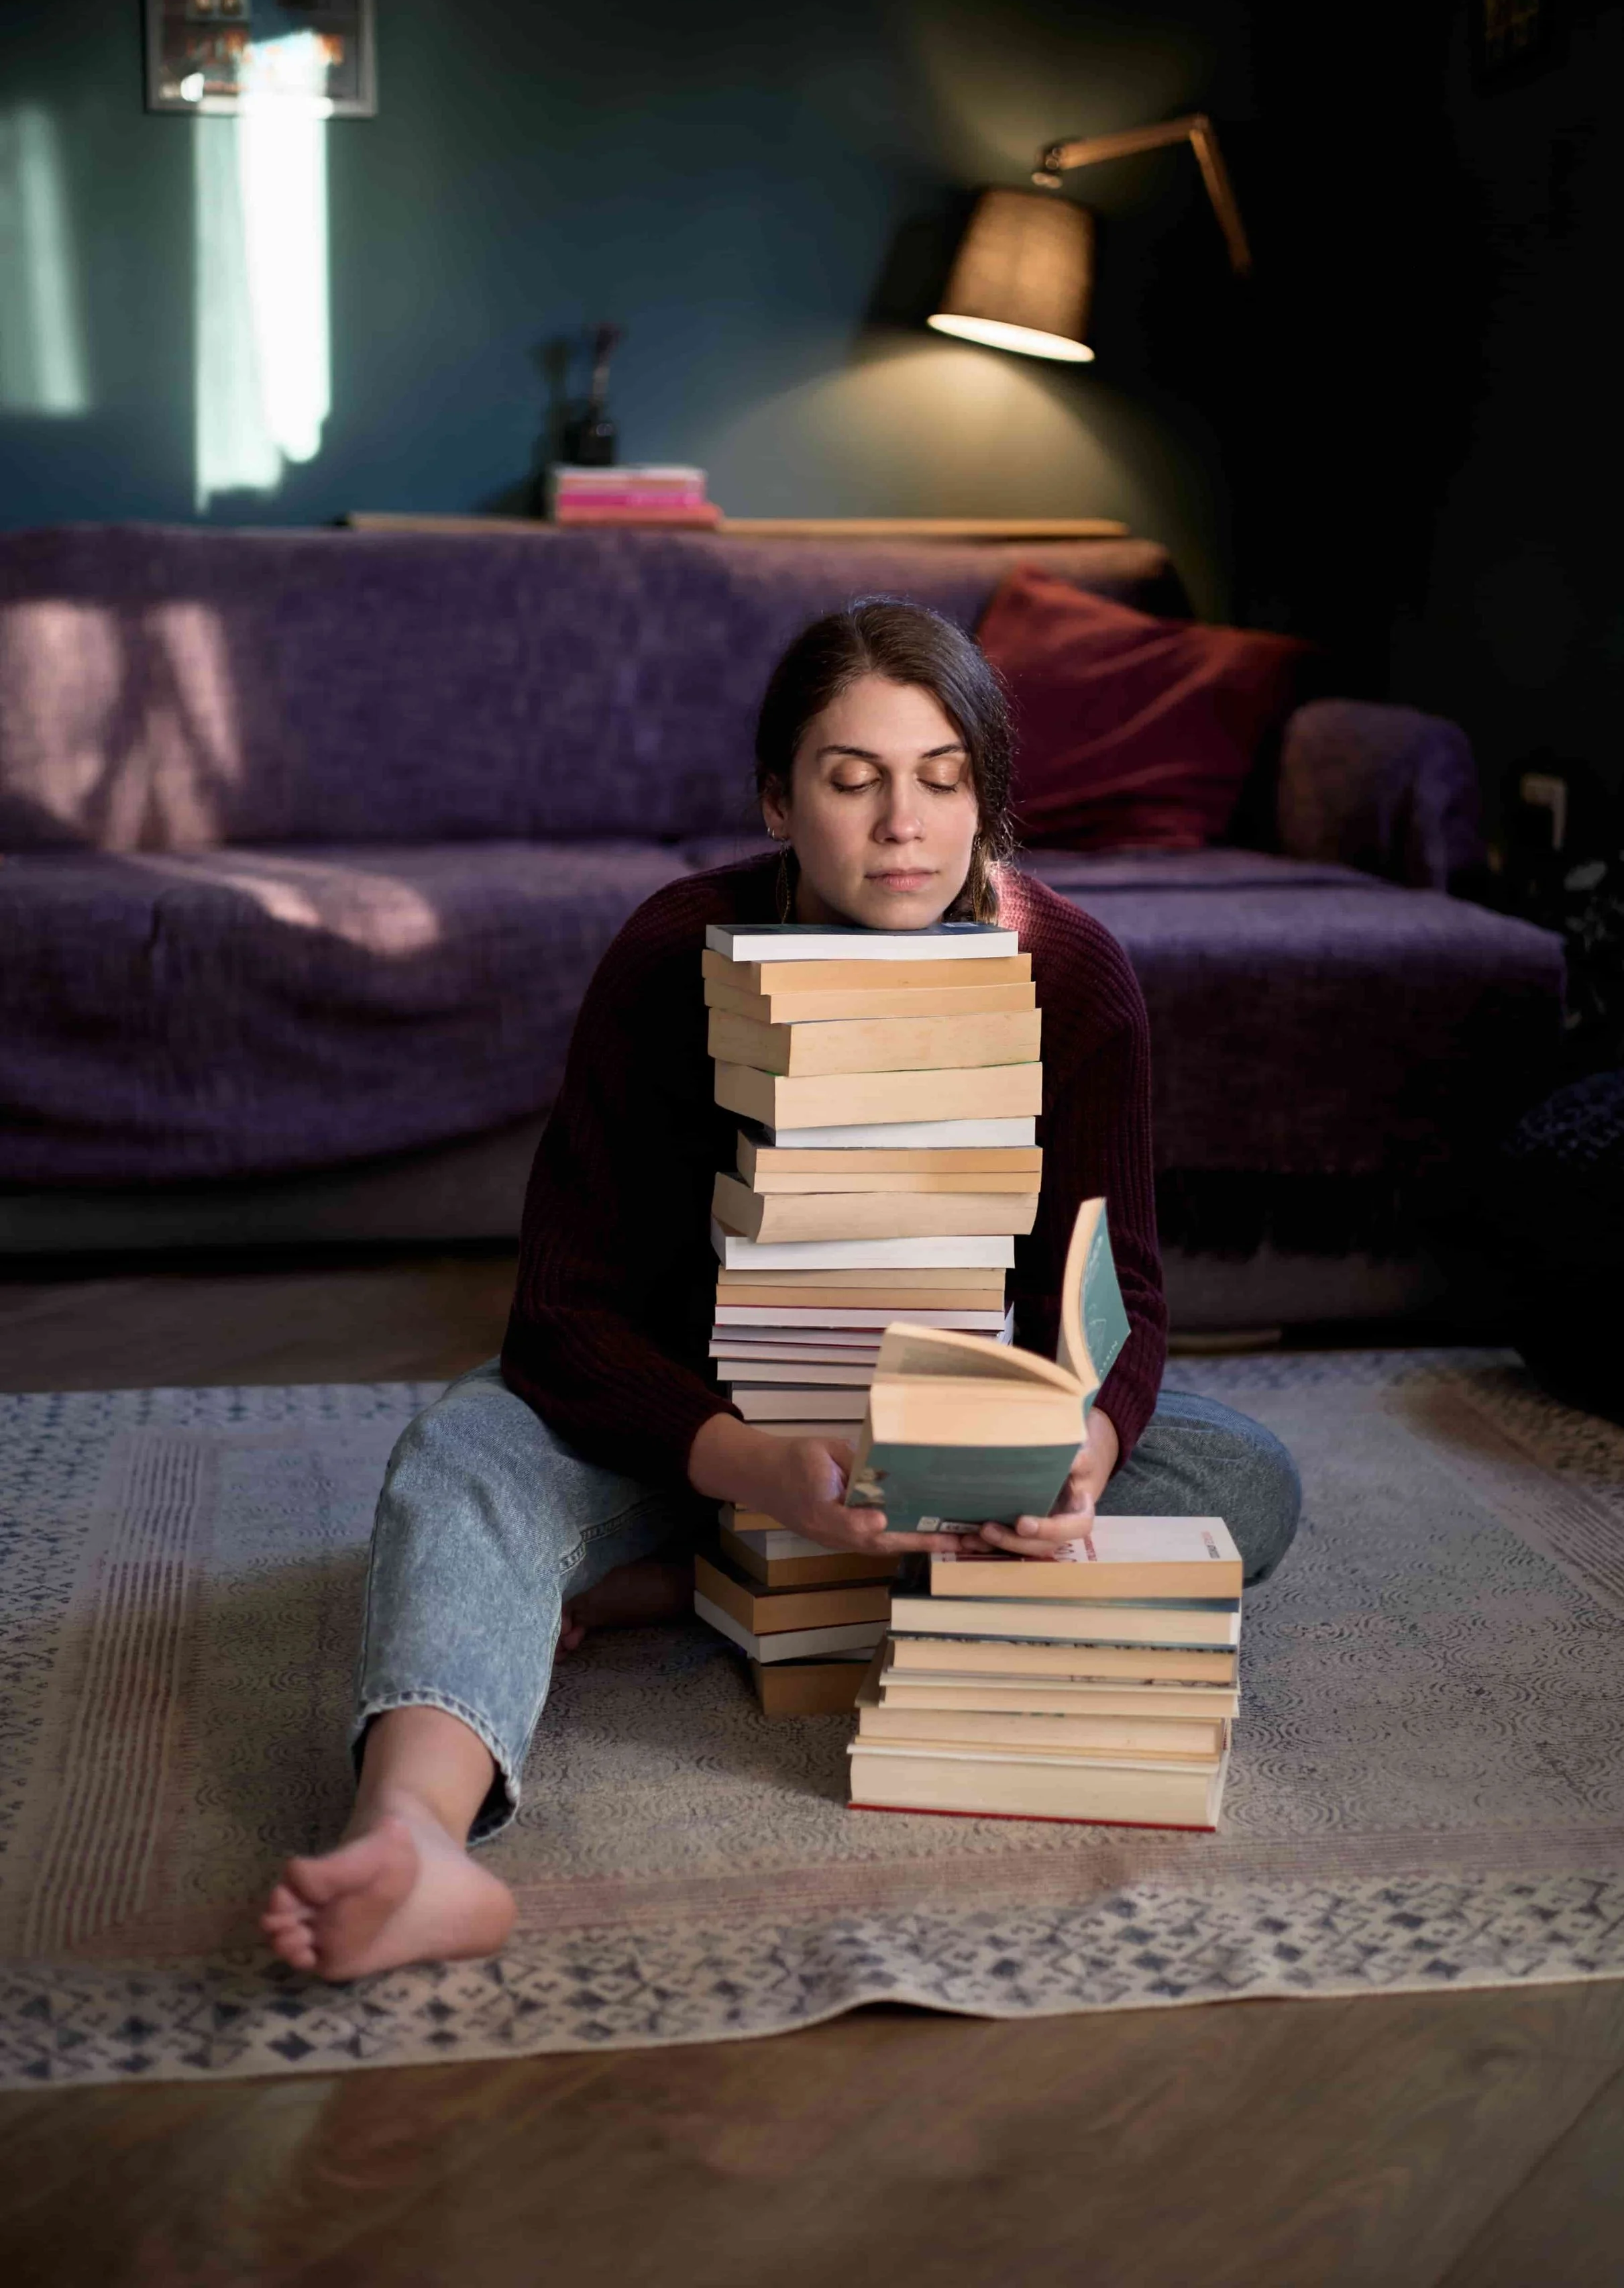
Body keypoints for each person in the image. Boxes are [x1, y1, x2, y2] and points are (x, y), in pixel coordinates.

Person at [262, 599, 1301, 1979]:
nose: (901, 826)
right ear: (775, 799)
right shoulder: (666, 956)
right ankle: (415, 1839)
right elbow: (559, 1321)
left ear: (985, 802)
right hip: (699, 1433)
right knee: (464, 1457)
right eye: (850, 777)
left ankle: (676, 1591)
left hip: (949, 1452)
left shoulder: (1073, 975)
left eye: (941, 780)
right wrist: (754, 1467)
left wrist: (1084, 1450)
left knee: (1243, 1484)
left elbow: (1125, 1298)